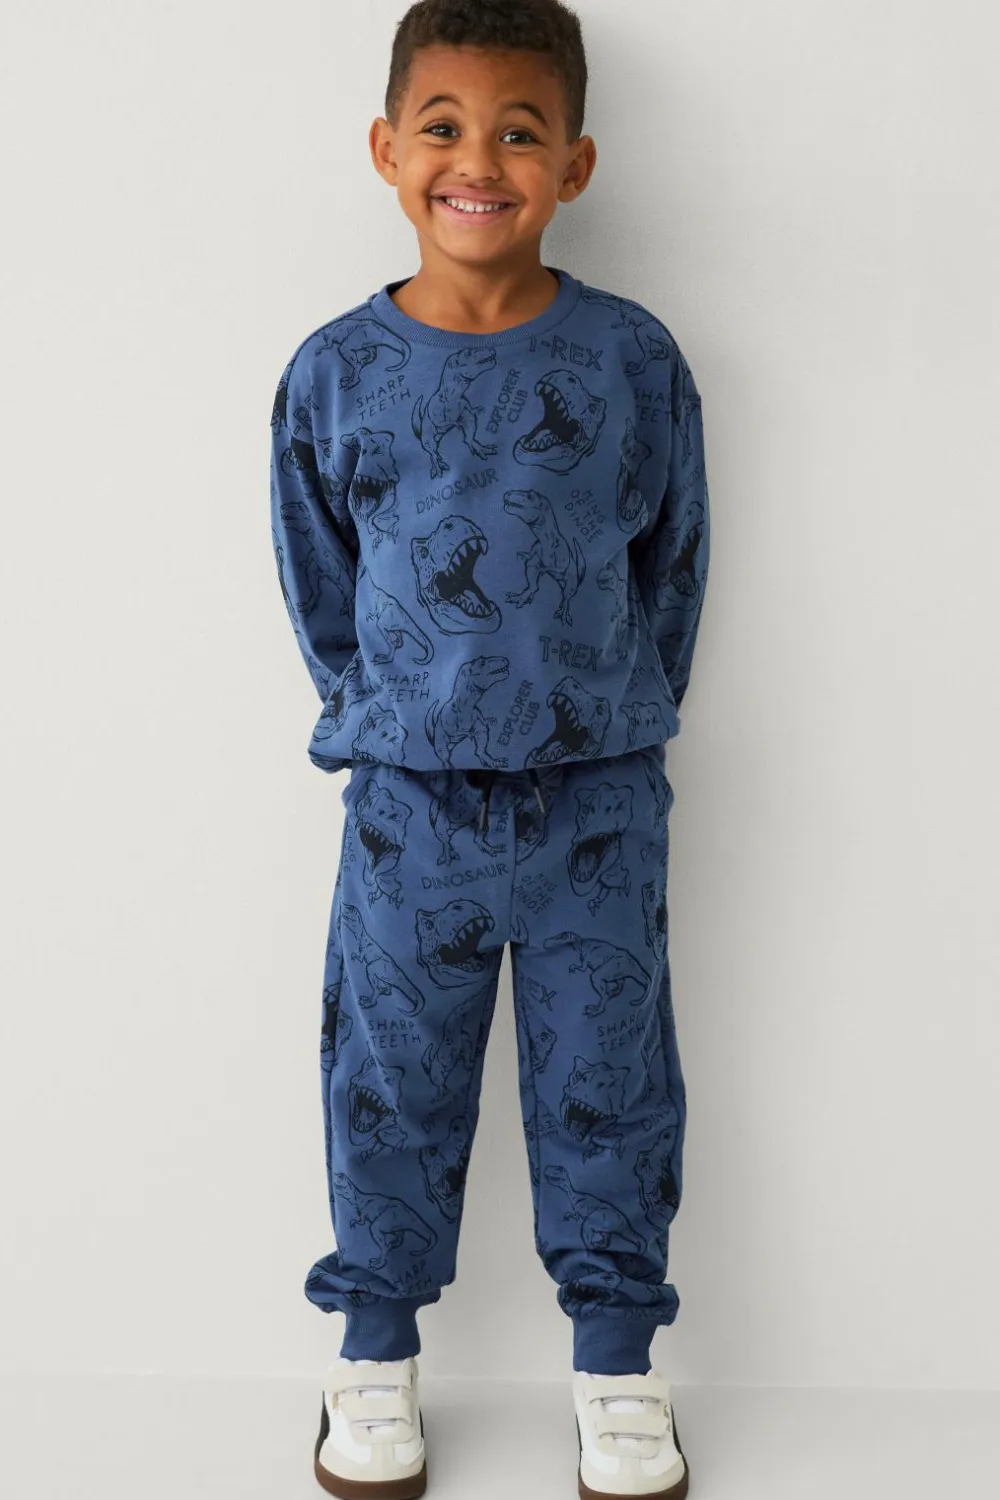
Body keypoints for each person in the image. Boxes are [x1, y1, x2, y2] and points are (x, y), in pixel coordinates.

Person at [269, 2, 710, 1496]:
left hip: (599, 801)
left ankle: (618, 1366)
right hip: (408, 805)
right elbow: (320, 584)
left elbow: (673, 565)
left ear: (573, 163)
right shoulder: (335, 370)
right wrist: (397, 717)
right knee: (390, 1076)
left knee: (611, 1076)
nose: (480, 160)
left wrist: (611, 715)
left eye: (520, 132)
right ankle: (372, 1356)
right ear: (387, 150)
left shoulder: (632, 358)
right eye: (445, 127)